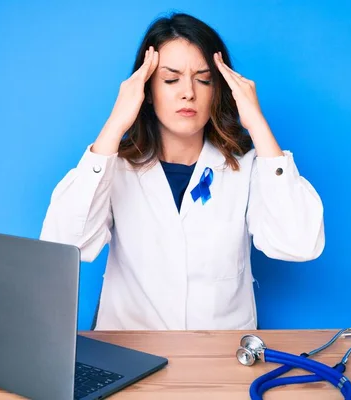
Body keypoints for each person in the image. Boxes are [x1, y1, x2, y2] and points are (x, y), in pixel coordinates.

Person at [40, 12, 325, 331]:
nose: (188, 92)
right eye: (171, 79)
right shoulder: (114, 167)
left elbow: (298, 243)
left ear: (220, 90)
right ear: (146, 91)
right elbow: (64, 244)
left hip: (220, 358)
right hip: (130, 355)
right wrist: (115, 124)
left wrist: (257, 125)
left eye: (203, 79)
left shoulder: (246, 168)